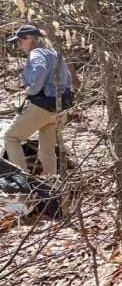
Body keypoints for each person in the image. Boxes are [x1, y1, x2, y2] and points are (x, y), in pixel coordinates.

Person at [4, 24, 73, 177]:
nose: (18, 45)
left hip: (42, 106)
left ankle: (22, 180)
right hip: (60, 108)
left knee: (11, 137)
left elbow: (40, 70)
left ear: (29, 38)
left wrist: (30, 91)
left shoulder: (36, 53)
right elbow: (69, 80)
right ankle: (50, 186)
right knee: (47, 152)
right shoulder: (54, 53)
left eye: (20, 41)